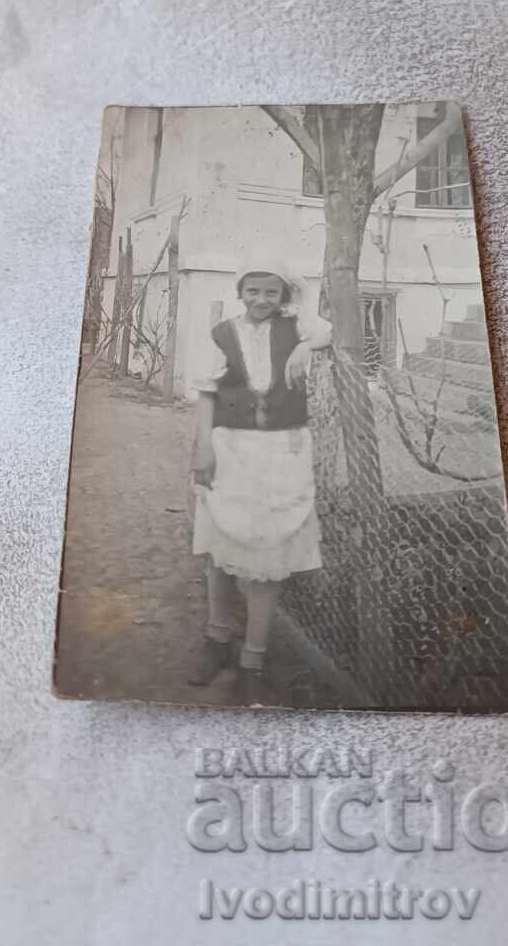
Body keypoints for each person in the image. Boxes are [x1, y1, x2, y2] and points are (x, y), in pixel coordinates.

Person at [187, 259, 332, 705]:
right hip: (230, 450)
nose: (261, 300)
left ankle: (253, 659)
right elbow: (206, 393)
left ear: (284, 294)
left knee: (268, 555)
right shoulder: (222, 334)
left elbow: (329, 331)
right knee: (221, 547)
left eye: (271, 292)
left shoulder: (297, 327)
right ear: (240, 292)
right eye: (253, 291)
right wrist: (204, 446)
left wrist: (305, 348)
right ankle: (217, 638)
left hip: (283, 454)